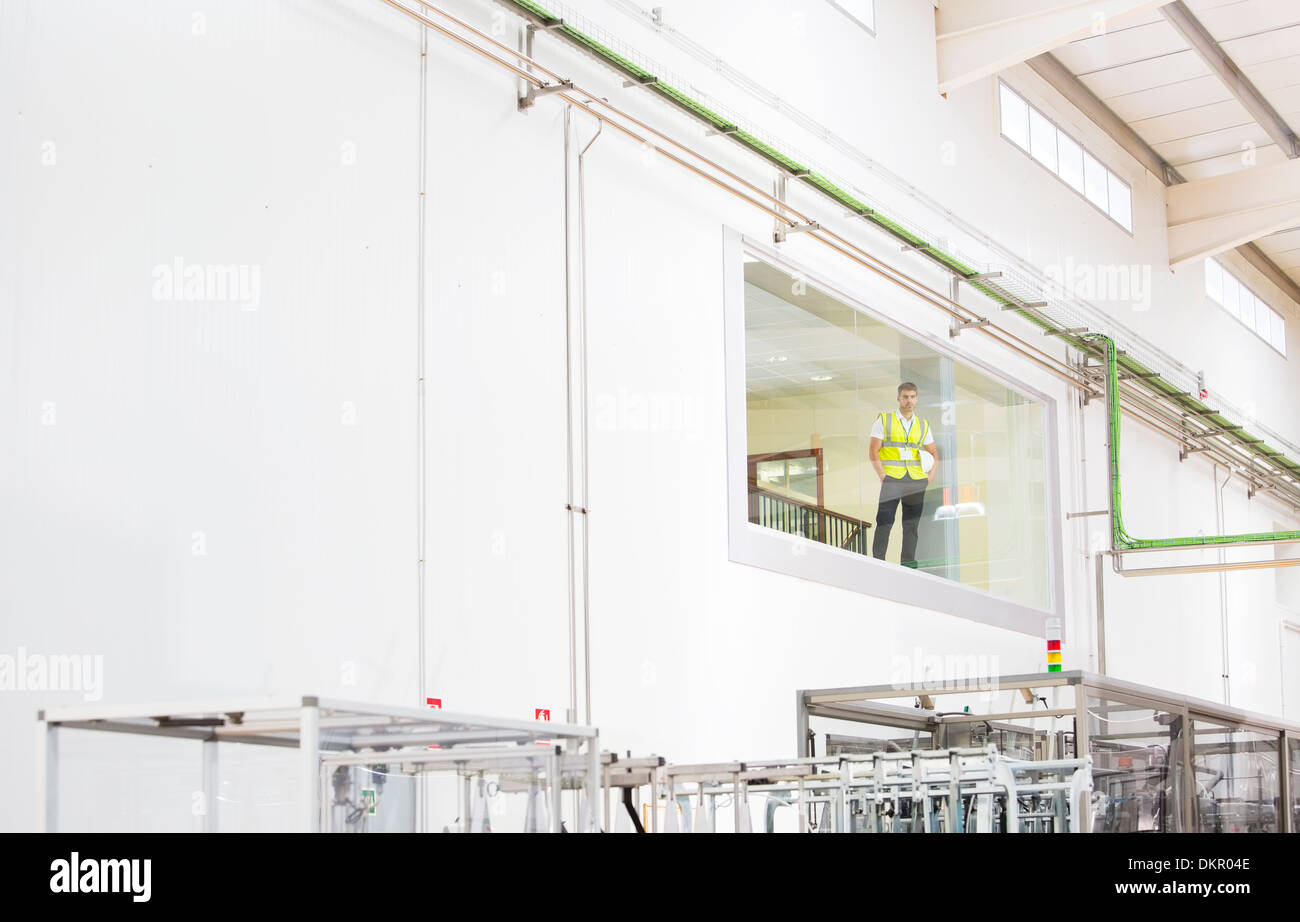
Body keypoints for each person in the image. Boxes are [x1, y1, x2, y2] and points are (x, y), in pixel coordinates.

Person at [869, 382, 940, 567]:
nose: (909, 400)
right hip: (892, 478)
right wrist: (882, 476)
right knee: (884, 522)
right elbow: (873, 451)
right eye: (905, 397)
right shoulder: (884, 420)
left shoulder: (923, 424)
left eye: (912, 397)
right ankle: (878, 563)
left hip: (916, 480)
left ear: (917, 399)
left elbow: (934, 453)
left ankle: (908, 565)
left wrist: (930, 477)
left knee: (911, 525)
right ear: (898, 398)